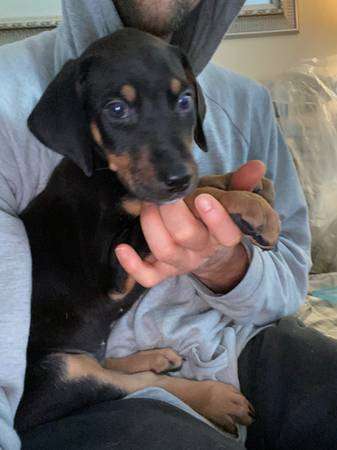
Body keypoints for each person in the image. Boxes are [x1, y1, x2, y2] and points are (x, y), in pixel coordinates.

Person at [0, 1, 336, 449]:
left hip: (244, 343)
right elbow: (122, 246)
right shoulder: (17, 102)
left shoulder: (249, 101)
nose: (178, 166)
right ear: (80, 124)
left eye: (182, 101)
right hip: (73, 386)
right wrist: (209, 199)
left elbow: (290, 282)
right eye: (119, 111)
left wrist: (227, 264)